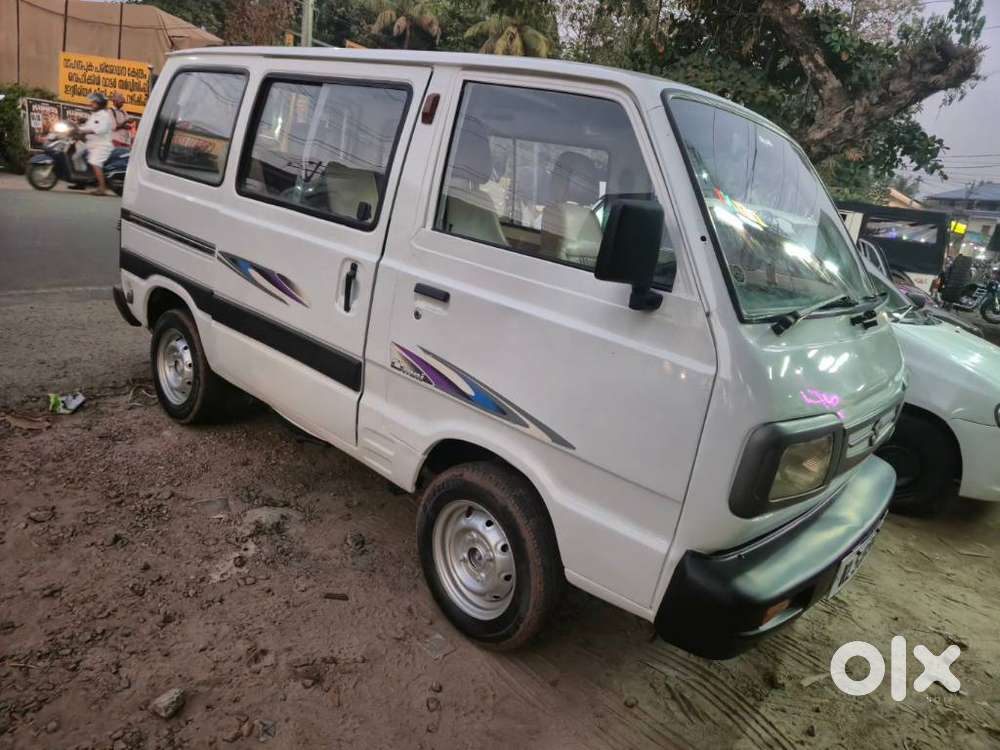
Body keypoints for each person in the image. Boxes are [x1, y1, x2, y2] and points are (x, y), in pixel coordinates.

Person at [77, 92, 114, 196]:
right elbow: (87, 127)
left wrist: (85, 131)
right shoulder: (94, 115)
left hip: (101, 145)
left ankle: (102, 188)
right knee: (77, 155)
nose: (91, 104)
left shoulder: (105, 116)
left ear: (100, 104)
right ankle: (80, 182)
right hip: (91, 144)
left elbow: (101, 129)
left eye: (93, 102)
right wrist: (77, 128)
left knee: (95, 162)